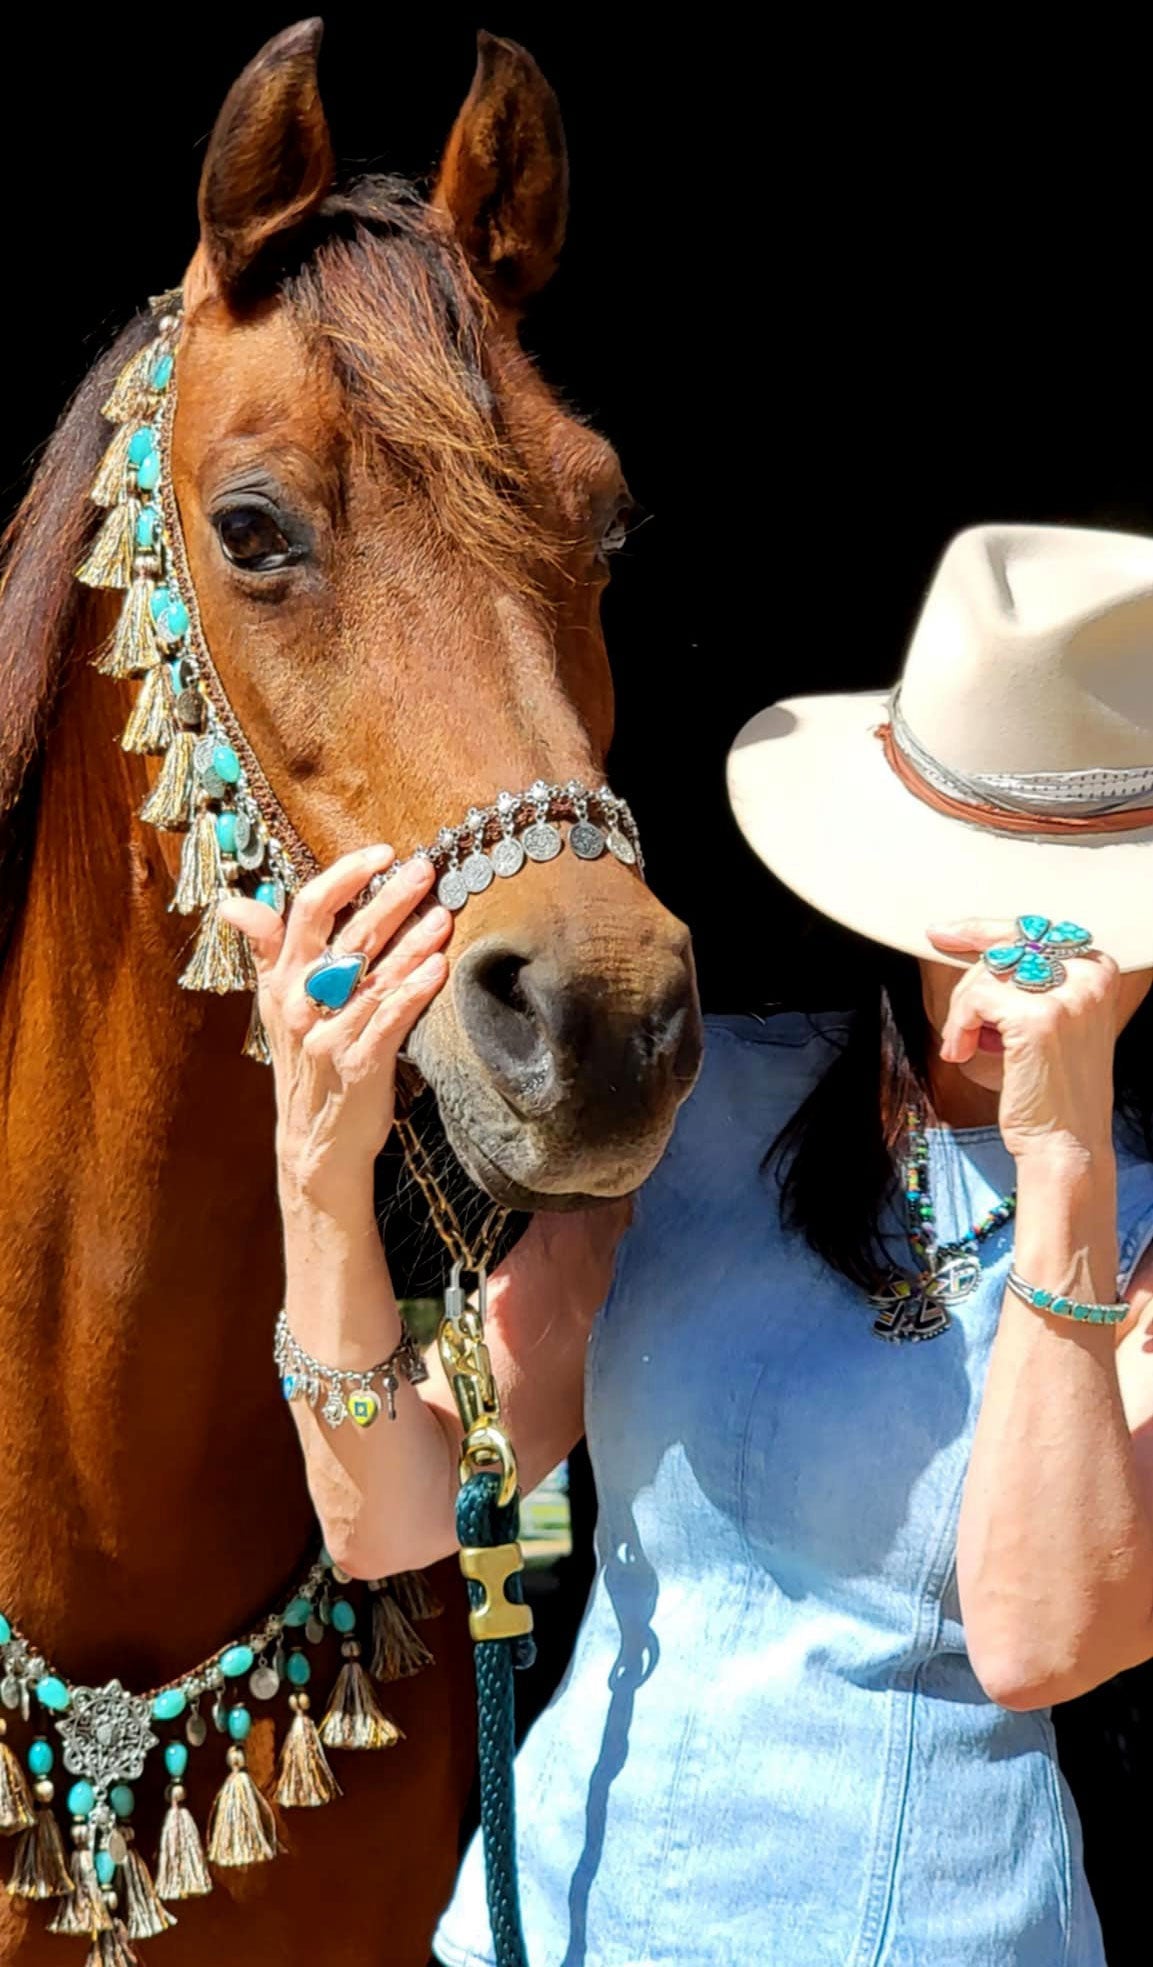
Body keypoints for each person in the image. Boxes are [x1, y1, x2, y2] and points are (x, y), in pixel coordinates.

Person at [221, 523, 1153, 1965]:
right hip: (561, 1925)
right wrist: (318, 1169)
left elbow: (1039, 1638)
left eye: (1086, 910)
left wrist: (1062, 1160)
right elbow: (397, 1517)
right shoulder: (704, 1100)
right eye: (977, 875)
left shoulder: (1138, 1225)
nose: (1016, 941)